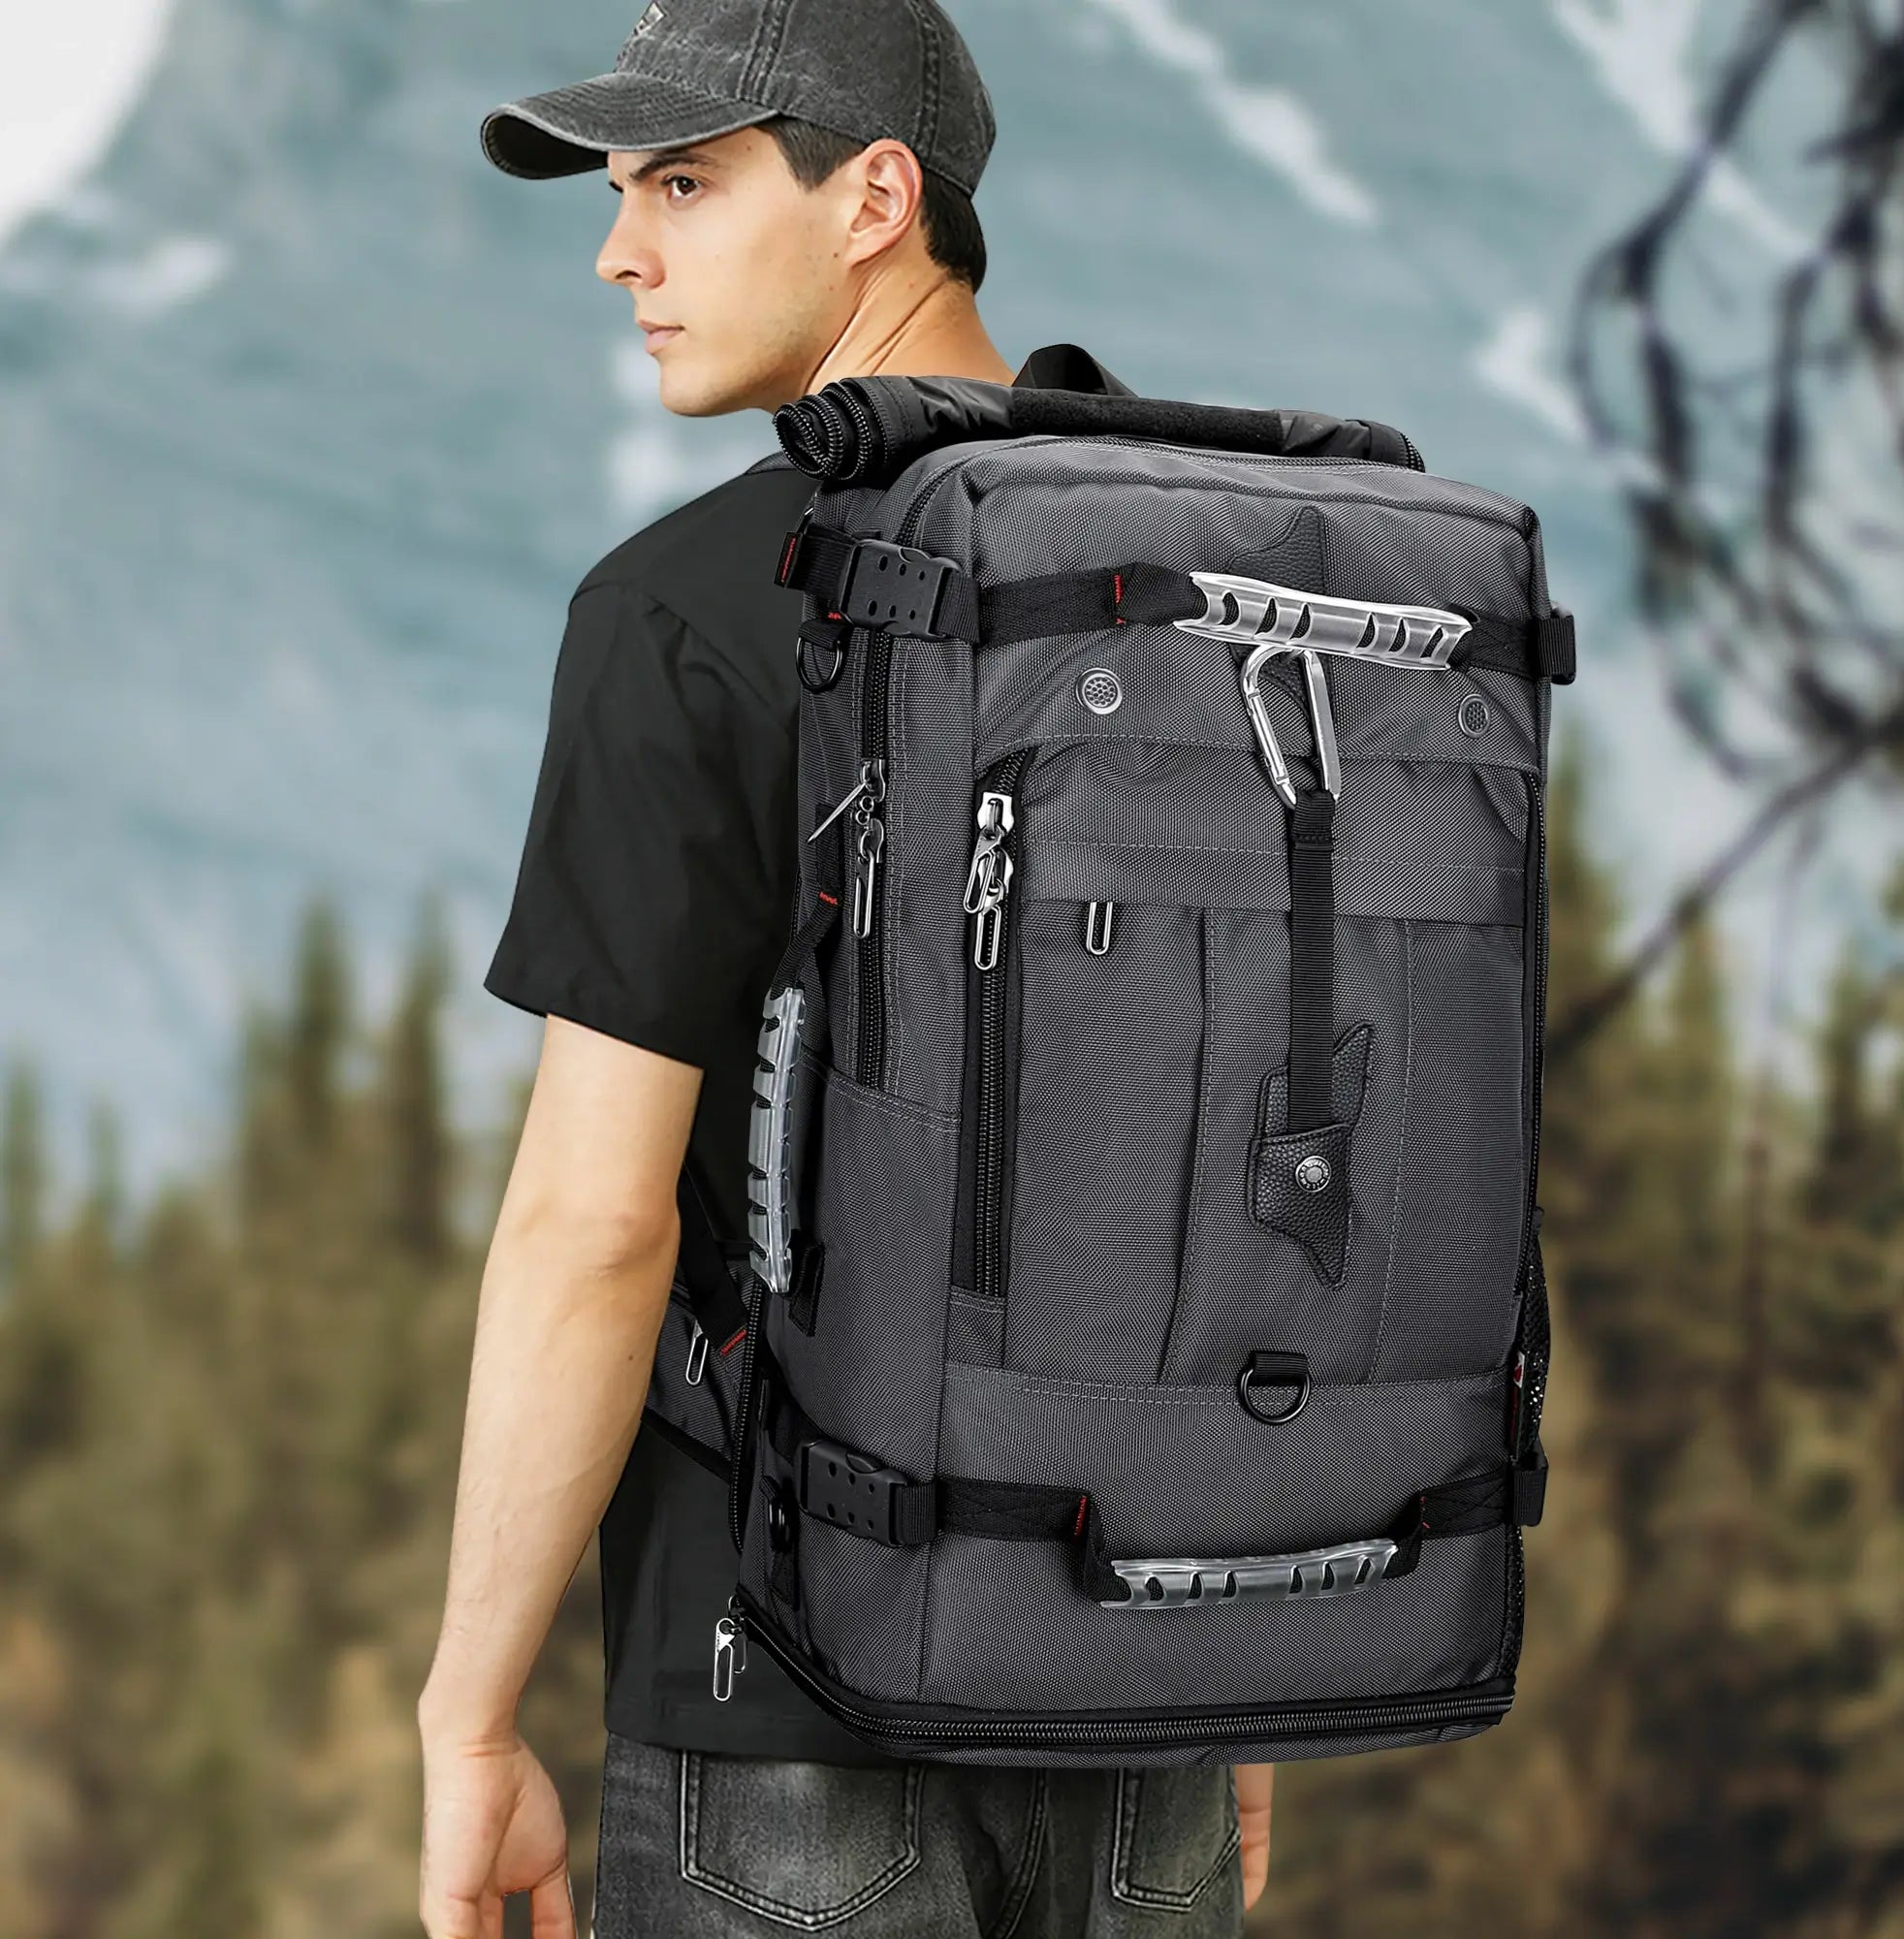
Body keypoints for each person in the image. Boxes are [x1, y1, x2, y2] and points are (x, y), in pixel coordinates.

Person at [416, 4, 1273, 1933]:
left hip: (777, 1700)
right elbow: (1234, 1159)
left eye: (683, 187)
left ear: (876, 197)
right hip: (1139, 1689)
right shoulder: (1197, 584)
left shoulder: (688, 612)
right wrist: (1233, 1665)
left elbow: (595, 1227)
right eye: (621, 197)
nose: (618, 253)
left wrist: (470, 1717)